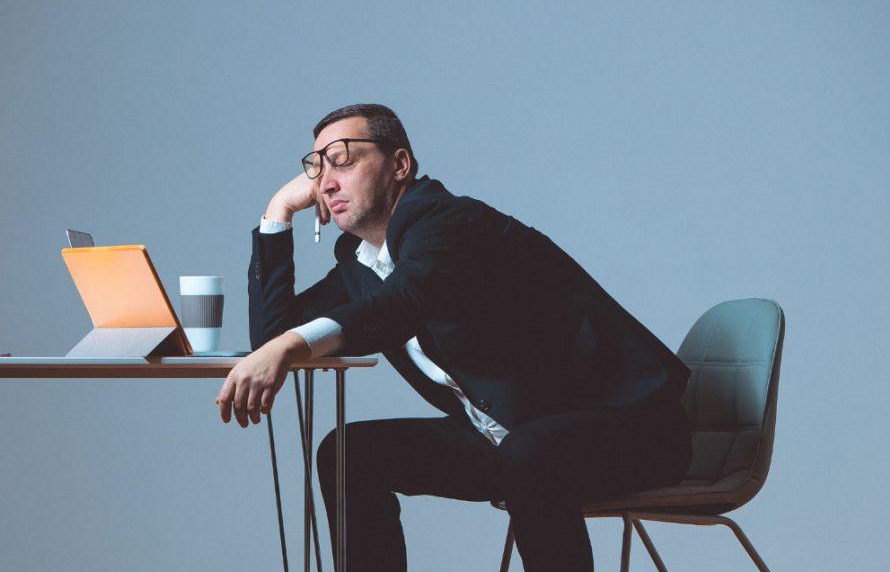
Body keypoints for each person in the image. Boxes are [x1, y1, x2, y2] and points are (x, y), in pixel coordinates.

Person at [215, 103, 693, 571]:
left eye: (342, 159)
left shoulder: (447, 223)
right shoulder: (360, 261)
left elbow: (399, 307)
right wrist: (277, 213)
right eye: (316, 168)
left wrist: (290, 345)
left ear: (399, 164)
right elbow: (274, 339)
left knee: (531, 454)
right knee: (348, 454)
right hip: (510, 434)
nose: (326, 181)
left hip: (631, 428)